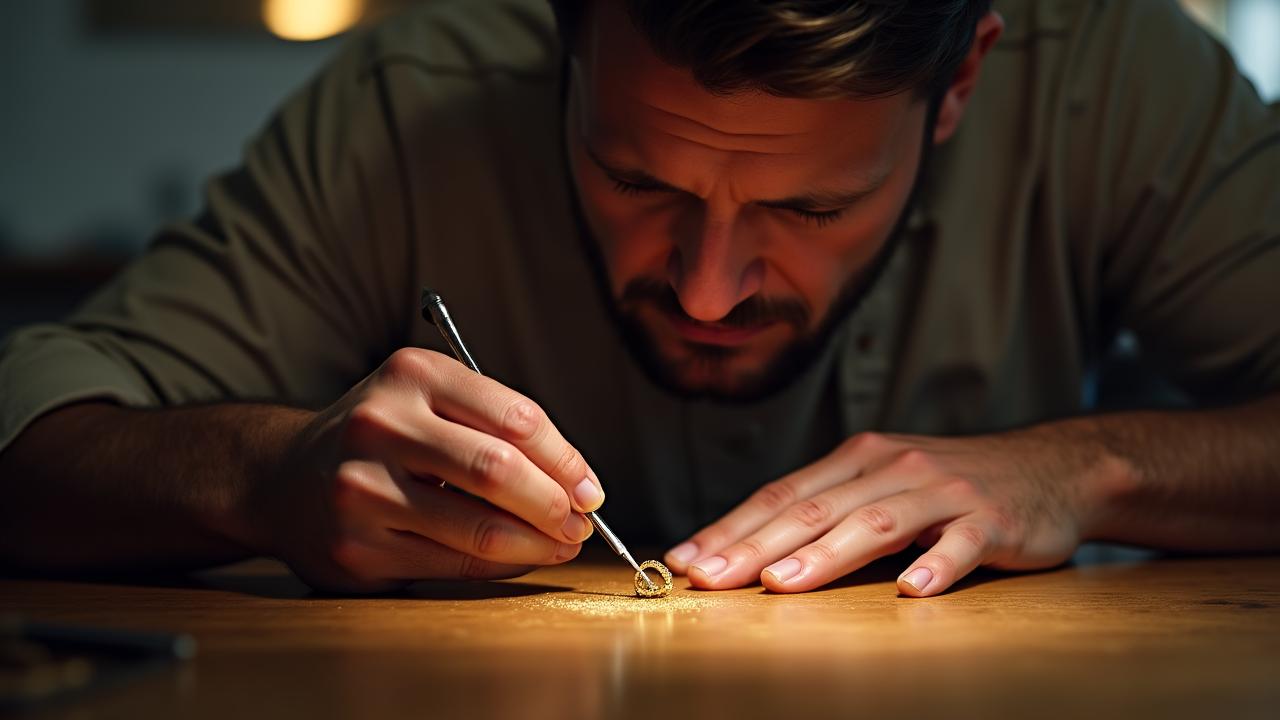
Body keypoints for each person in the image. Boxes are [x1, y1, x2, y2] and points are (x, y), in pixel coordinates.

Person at [1, 0, 1277, 597]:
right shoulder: (411, 107)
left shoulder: (1119, 82)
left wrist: (1087, 468)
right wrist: (263, 478)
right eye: (629, 175)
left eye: (810, 208)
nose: (709, 290)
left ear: (958, 87)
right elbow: (27, 444)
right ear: (562, 40)